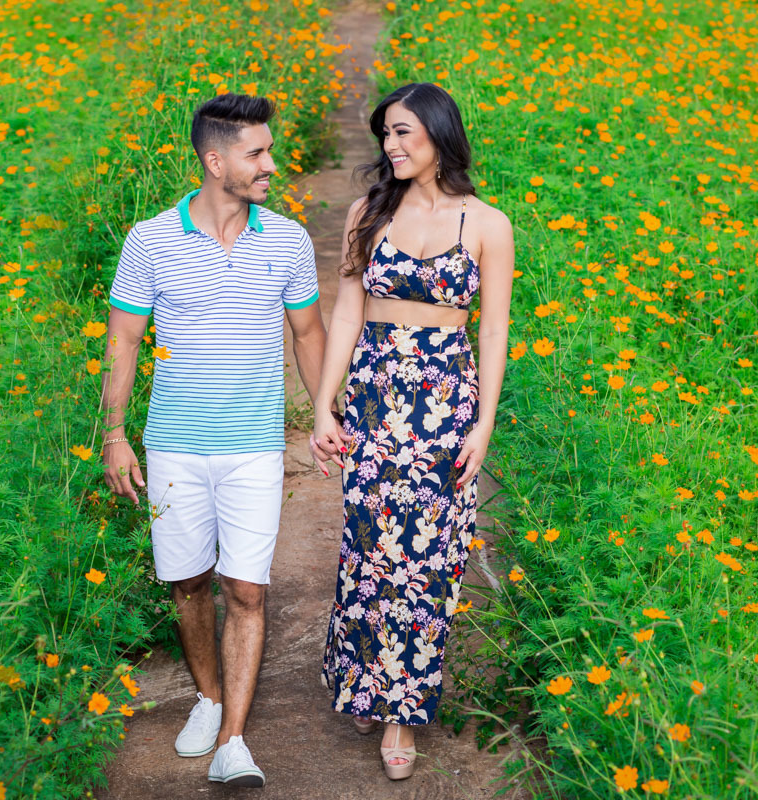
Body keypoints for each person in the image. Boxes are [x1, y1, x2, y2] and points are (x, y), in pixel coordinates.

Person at [101, 93, 329, 788]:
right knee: (190, 582)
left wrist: (324, 413)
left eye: (268, 150)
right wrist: (114, 434)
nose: (269, 164)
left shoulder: (286, 240)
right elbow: (123, 340)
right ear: (215, 160)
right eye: (256, 153)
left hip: (255, 445)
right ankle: (207, 695)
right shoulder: (150, 240)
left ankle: (233, 740)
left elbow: (310, 333)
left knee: (248, 590)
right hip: (172, 444)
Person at [310, 82, 514, 780]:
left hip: (446, 404)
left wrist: (483, 422)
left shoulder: (486, 223)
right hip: (374, 397)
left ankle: (401, 710)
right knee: (370, 545)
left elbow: (492, 326)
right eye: (385, 136)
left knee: (426, 555)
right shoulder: (369, 210)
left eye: (404, 133)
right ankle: (364, 675)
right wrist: (323, 404)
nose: (392, 147)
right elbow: (346, 308)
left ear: (438, 135)